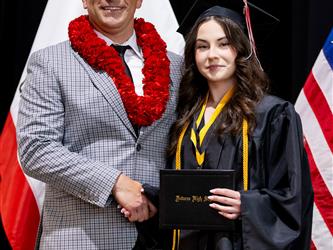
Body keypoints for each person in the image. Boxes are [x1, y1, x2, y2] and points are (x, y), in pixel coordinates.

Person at [16, 0, 182, 249]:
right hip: (81, 238)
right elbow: (36, 150)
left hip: (160, 237)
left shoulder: (177, 67)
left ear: (139, 1)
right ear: (84, 1)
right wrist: (115, 183)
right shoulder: (49, 62)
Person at [166, 0, 314, 249]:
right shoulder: (184, 118)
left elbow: (294, 197)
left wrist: (247, 205)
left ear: (242, 49)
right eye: (202, 46)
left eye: (224, 44)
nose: (212, 54)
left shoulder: (273, 114)